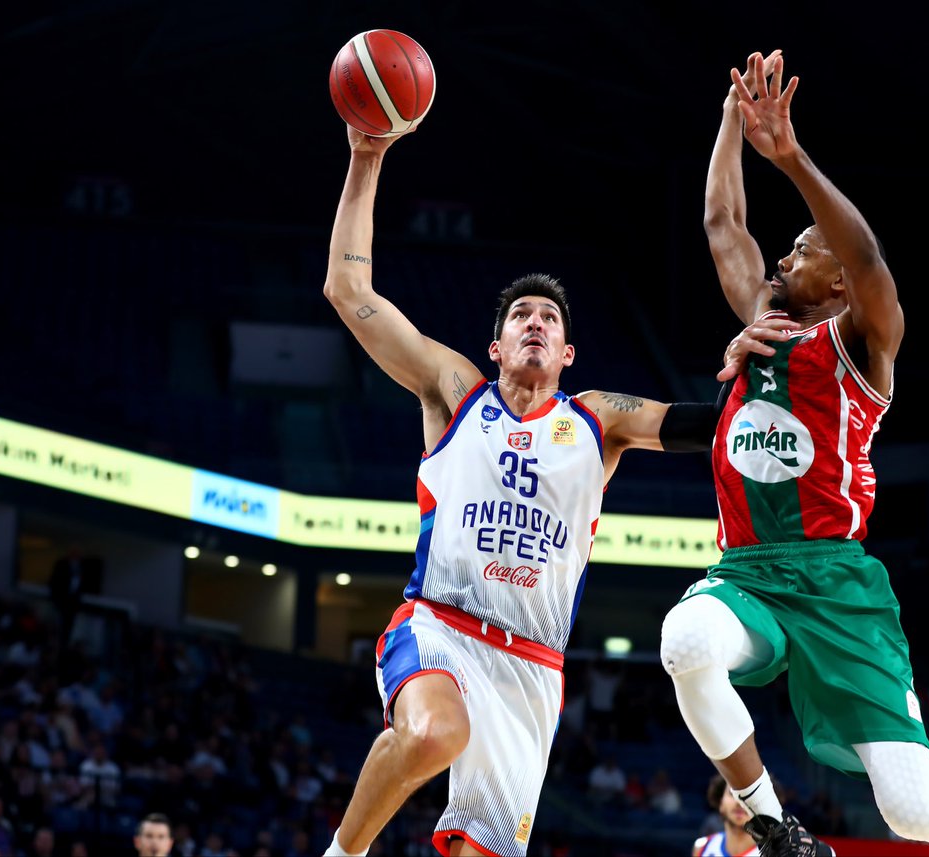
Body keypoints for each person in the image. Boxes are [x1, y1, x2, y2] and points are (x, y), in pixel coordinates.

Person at [318, 116, 783, 857]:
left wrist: (751, 362)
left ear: (567, 352)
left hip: (533, 666)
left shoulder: (598, 419)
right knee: (436, 731)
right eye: (520, 316)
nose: (534, 322)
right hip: (441, 623)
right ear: (496, 344)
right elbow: (347, 288)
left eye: (549, 318)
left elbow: (707, 424)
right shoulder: (455, 391)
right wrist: (366, 156)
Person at [659, 51, 929, 857]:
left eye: (801, 249)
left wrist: (789, 157)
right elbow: (722, 224)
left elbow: (869, 258)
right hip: (749, 569)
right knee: (684, 642)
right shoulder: (761, 318)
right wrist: (729, 116)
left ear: (839, 283)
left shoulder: (862, 340)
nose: (783, 259)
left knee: (913, 815)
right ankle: (777, 827)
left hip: (838, 583)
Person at [693, 775, 759, 857]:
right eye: (732, 793)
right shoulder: (702, 848)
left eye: (749, 795)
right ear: (721, 803)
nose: (739, 802)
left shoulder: (772, 853)